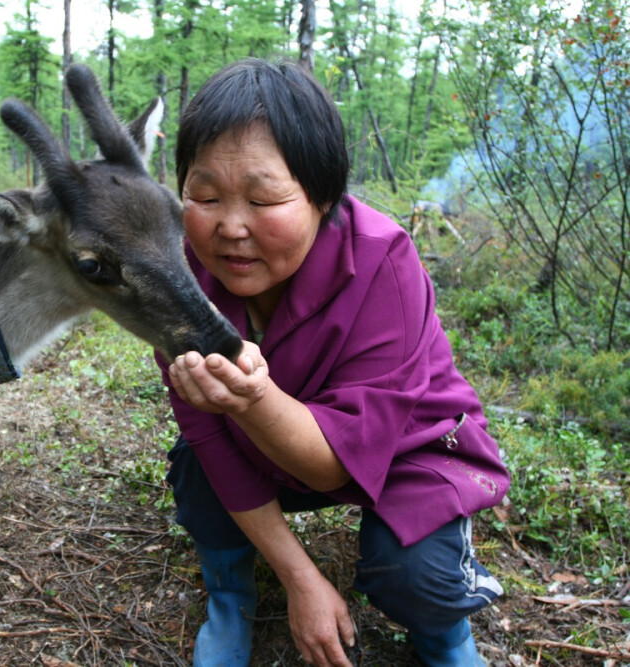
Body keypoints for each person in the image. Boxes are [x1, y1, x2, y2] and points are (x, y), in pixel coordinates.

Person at [157, 58, 510, 667]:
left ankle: (445, 633)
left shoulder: (383, 262)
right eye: (205, 195)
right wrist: (300, 578)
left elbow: (329, 466)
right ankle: (231, 598)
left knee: (417, 574)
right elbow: (211, 435)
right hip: (270, 445)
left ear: (323, 196)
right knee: (198, 467)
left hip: (408, 446)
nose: (230, 227)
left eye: (264, 198)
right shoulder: (179, 274)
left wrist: (250, 399)